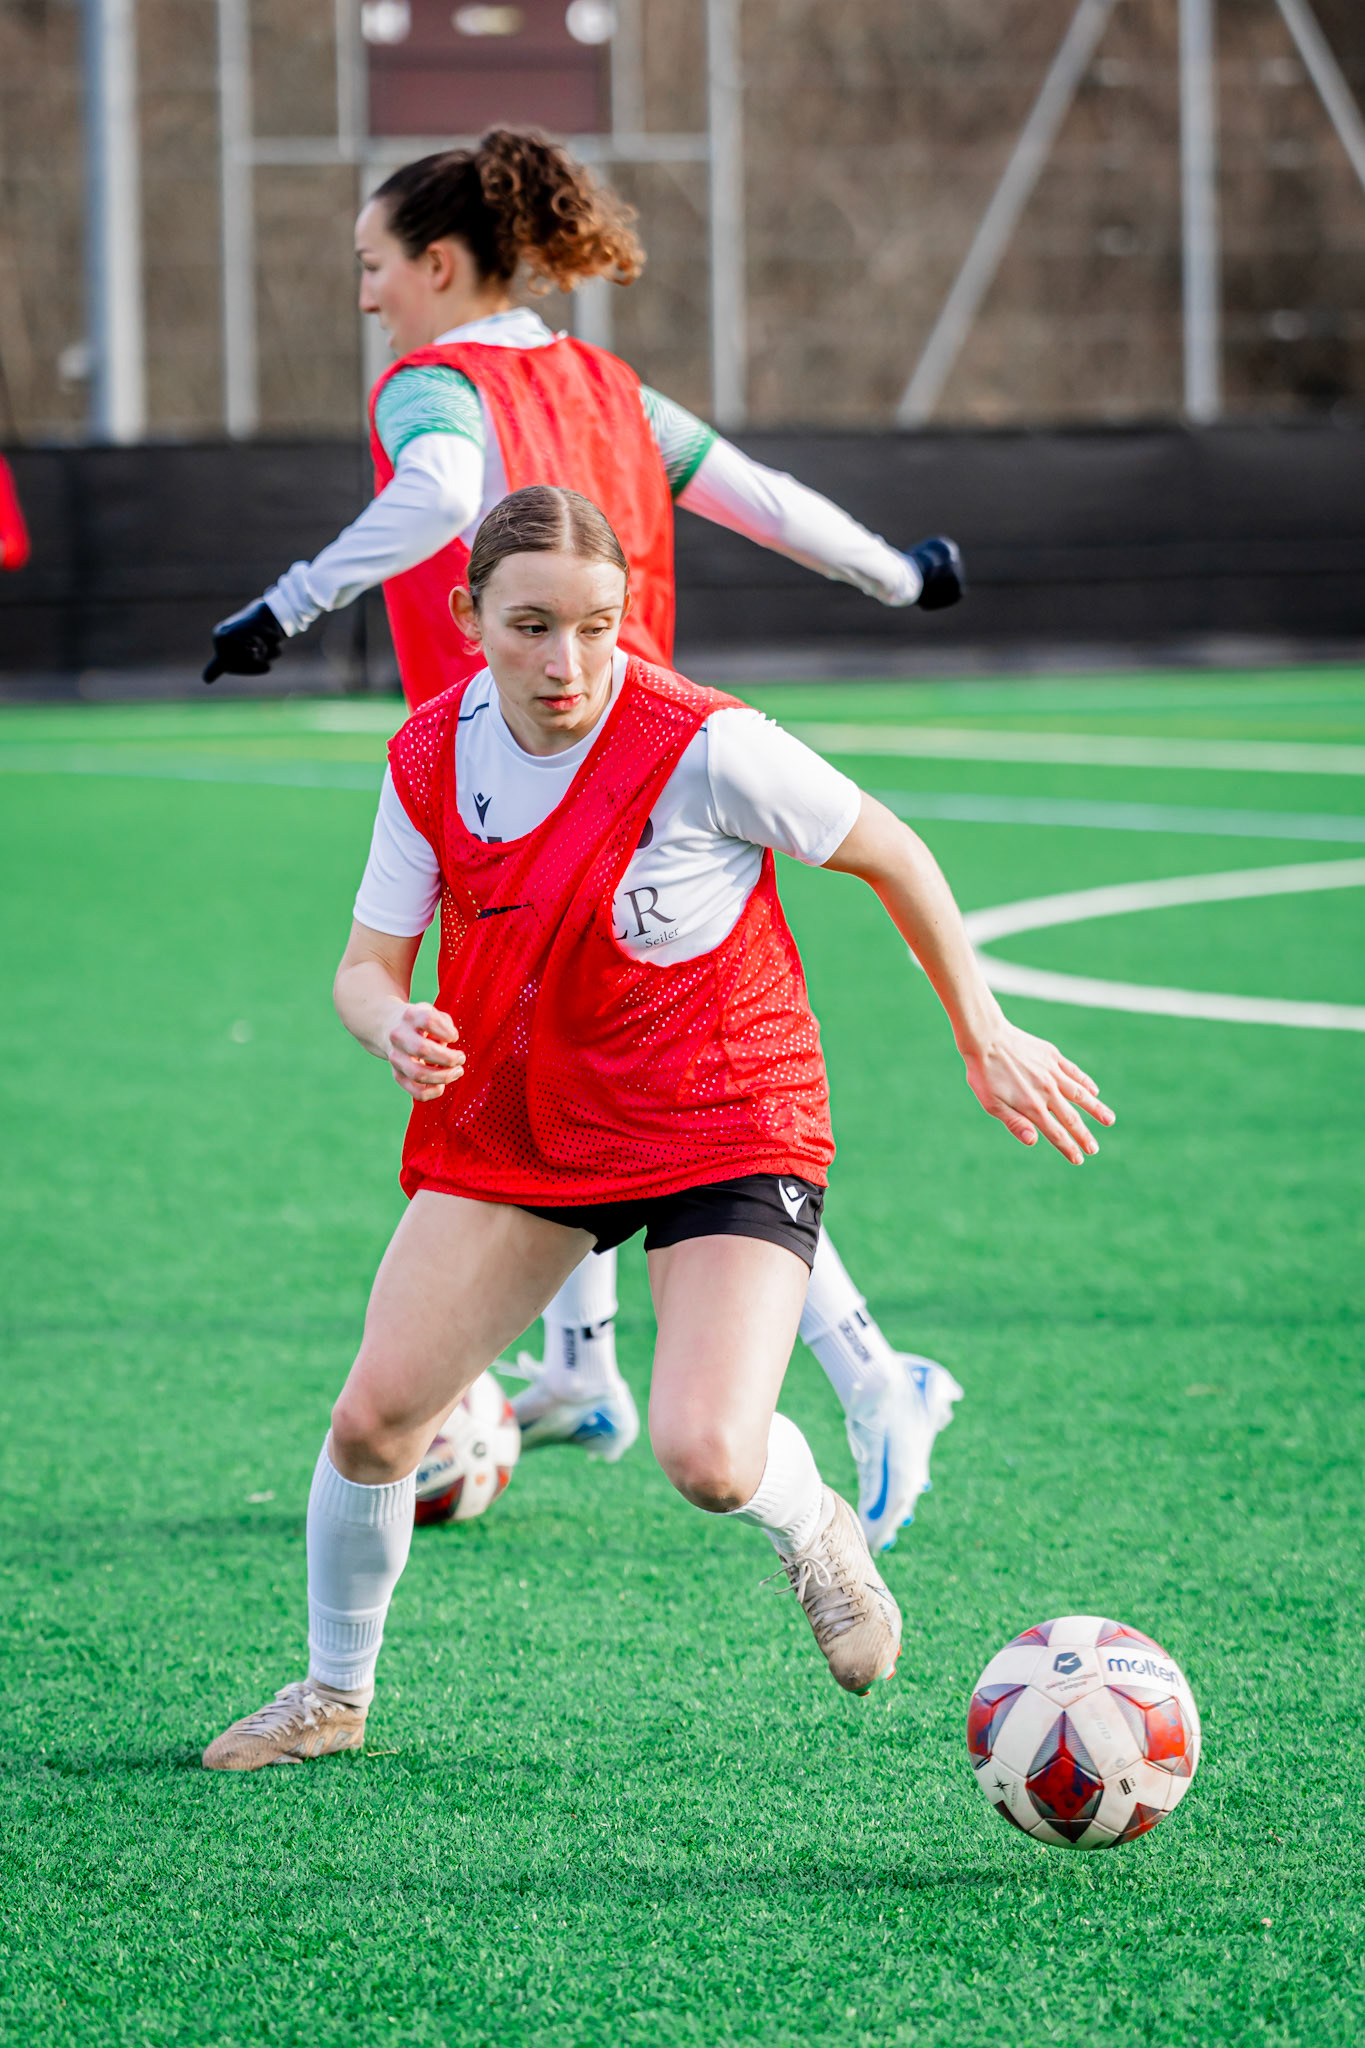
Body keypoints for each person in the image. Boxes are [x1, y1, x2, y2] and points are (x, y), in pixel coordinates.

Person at [201, 487, 1112, 1771]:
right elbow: (365, 965)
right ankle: (331, 1696)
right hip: (525, 1118)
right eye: (531, 627)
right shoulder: (427, 755)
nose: (567, 663)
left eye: (598, 626)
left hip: (726, 1112)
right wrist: (387, 1021)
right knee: (373, 1420)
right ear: (468, 619)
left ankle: (817, 1527)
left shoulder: (705, 741)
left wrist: (984, 1029)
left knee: (704, 1454)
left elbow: (894, 850)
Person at [201, 128, 969, 1549]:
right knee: (569, 1076)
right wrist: (898, 577)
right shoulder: (612, 387)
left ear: (437, 266)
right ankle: (586, 1368)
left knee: (672, 1108)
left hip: (568, 795)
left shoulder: (431, 386)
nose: (367, 297)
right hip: (649, 783)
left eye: (373, 268)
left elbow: (440, 498)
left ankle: (870, 1374)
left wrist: (286, 606)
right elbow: (763, 500)